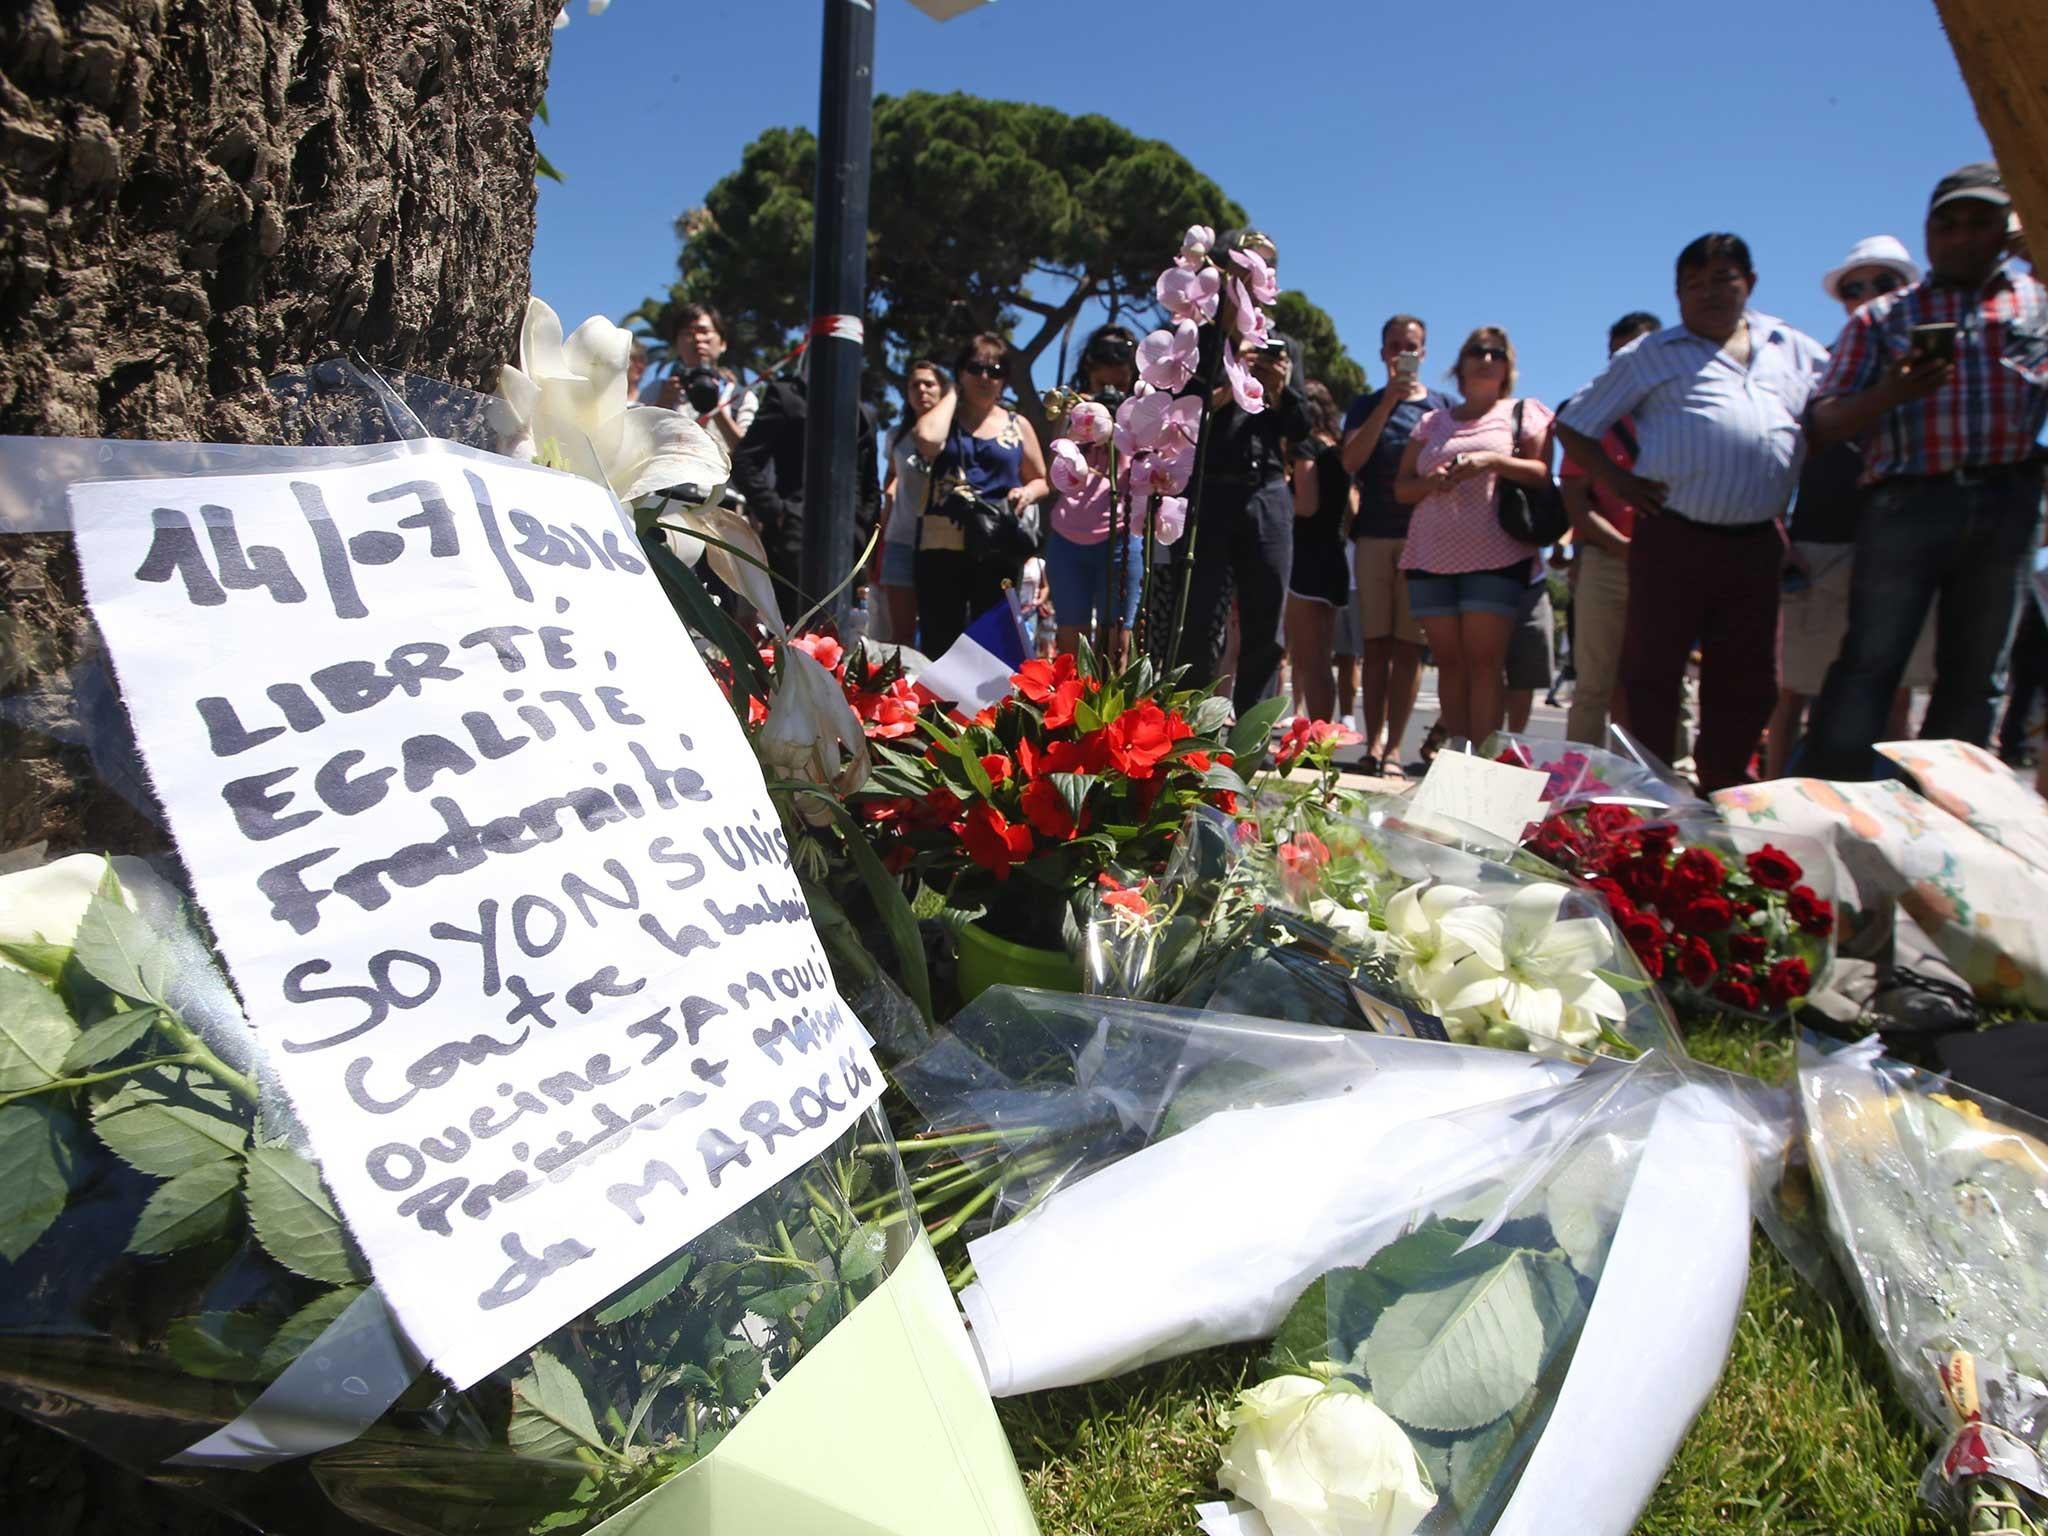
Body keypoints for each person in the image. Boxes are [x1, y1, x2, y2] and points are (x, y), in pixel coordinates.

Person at [1557, 234, 1830, 793]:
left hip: (1757, 541)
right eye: (1693, 284)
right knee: (1649, 675)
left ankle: (1724, 795)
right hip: (1673, 536)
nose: (1708, 293)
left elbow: (1830, 418)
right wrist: (1620, 482)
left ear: (1748, 283)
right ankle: (1650, 797)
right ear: (1677, 295)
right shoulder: (1653, 353)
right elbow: (1576, 422)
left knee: (1750, 681)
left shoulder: (1795, 348)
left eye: (1722, 279)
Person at [1801, 164, 2048, 778]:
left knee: (1977, 675)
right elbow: (1824, 423)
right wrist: (1889, 393)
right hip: (1906, 504)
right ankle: (1838, 806)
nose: (1964, 237)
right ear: (1929, 233)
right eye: (1949, 224)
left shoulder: (2038, 304)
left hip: (2007, 501)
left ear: (2005, 230)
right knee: (1869, 663)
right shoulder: (1883, 318)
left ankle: (1940, 820)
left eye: (1981, 222)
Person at [1767, 237, 1933, 778]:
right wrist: (1782, 534)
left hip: (1899, 546)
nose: (1865, 296)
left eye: (1881, 283)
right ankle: (1773, 800)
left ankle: (1892, 812)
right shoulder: (1824, 367)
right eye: (1853, 287)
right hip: (1819, 546)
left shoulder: (1935, 369)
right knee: (1795, 689)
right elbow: (1785, 453)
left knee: (1896, 692)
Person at [1394, 327, 1556, 750]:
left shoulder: (1524, 411)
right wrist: (1435, 482)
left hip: (1496, 554)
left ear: (1508, 365)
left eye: (1496, 352)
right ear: (1460, 363)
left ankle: (1482, 765)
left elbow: (1542, 473)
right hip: (1431, 554)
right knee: (1449, 664)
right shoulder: (1433, 421)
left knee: (1485, 665)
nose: (1486, 358)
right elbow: (1402, 488)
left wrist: (1490, 461)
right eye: (1477, 351)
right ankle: (1456, 758)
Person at [1164, 320, 1310, 712]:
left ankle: (1251, 734)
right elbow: (1176, 416)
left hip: (1267, 488)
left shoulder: (1283, 347)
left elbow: (1301, 429)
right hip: (1208, 489)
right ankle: (1185, 731)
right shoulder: (1199, 343)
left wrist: (1279, 392)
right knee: (1197, 617)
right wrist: (1233, 385)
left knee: (1266, 621)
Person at [1344, 316, 1450, 775]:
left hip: (1424, 539)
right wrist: (1387, 402)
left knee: (1409, 648)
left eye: (1411, 346)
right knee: (1376, 646)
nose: (1402, 353)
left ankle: (1394, 750)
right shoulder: (1366, 404)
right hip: (1373, 534)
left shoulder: (1443, 407)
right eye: (1394, 345)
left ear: (1423, 353)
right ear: (1382, 351)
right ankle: (1373, 744)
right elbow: (1350, 461)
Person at [909, 332, 1050, 659]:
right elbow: (927, 440)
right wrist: (952, 395)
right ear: (960, 372)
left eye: (997, 370)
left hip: (997, 544)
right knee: (938, 642)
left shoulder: (1018, 425)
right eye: (976, 368)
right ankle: (936, 710)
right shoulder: (944, 418)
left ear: (1005, 381)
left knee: (992, 646)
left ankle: (989, 711)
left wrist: (1027, 492)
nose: (986, 377)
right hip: (941, 545)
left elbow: (1042, 479)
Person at [1559, 311, 1661, 747]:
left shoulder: (1681, 415)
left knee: (1656, 684)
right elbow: (1576, 502)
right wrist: (1621, 546)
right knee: (1593, 684)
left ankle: (1655, 785)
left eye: (1637, 351)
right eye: (1617, 355)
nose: (1626, 362)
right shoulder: (1592, 419)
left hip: (1667, 564)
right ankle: (1578, 785)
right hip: (1606, 561)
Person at [728, 352, 882, 629]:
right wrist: (776, 512)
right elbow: (744, 459)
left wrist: (863, 524)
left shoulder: (865, 412)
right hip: (796, 533)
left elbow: (870, 479)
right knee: (796, 629)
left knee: (840, 632)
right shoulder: (787, 396)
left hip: (850, 539)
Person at [1047, 325, 1146, 655]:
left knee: (1116, 641)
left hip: (1120, 535)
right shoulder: (1072, 407)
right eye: (1104, 356)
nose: (1115, 367)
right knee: (1069, 642)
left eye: (1125, 355)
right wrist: (1083, 416)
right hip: (1066, 538)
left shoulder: (1141, 409)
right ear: (1089, 363)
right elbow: (1054, 465)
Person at [1283, 381, 1352, 723]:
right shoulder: (1338, 450)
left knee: (1309, 661)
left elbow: (1305, 504)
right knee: (1322, 659)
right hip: (1335, 556)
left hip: (1306, 558)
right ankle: (1324, 734)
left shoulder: (1305, 446)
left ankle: (1318, 738)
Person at [879, 359, 951, 645]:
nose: (921, 389)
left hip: (941, 544)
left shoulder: (956, 431)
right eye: (914, 384)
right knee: (901, 635)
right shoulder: (896, 435)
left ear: (943, 390)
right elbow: (892, 483)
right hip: (899, 542)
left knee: (939, 633)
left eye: (929, 383)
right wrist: (879, 544)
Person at [651, 302, 757, 453]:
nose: (697, 338)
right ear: (676, 344)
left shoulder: (742, 397)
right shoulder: (658, 390)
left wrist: (715, 408)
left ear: (723, 343)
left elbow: (749, 452)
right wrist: (661, 404)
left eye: (704, 331)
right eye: (688, 333)